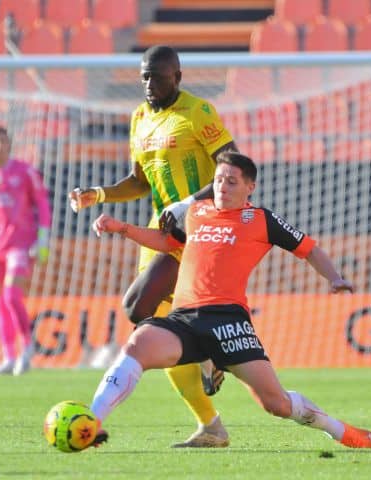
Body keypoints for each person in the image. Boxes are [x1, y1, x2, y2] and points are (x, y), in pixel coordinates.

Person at [88, 152, 371, 450]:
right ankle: (91, 423)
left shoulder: (261, 219)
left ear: (249, 187)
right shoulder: (197, 212)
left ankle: (343, 432)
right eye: (218, 180)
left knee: (277, 404)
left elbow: (308, 249)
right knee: (137, 345)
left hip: (228, 322)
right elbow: (167, 243)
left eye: (231, 181)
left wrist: (334, 277)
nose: (222, 187)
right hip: (185, 320)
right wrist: (123, 229)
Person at [68, 45, 237, 447]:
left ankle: (210, 349)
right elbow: (139, 181)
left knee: (143, 310)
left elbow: (230, 168)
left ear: (177, 77)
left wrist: (188, 203)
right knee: (154, 327)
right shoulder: (140, 118)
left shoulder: (199, 113)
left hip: (199, 228)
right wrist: (100, 194)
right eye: (144, 76)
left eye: (157, 76)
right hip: (159, 231)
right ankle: (211, 424)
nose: (148, 83)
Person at [0, 125, 51, 376]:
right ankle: (8, 357)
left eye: (4, 141)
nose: (0, 146)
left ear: (10, 144)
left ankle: (26, 349)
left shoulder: (25, 172)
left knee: (13, 296)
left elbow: (43, 205)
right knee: (0, 302)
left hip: (21, 245)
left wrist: (43, 239)